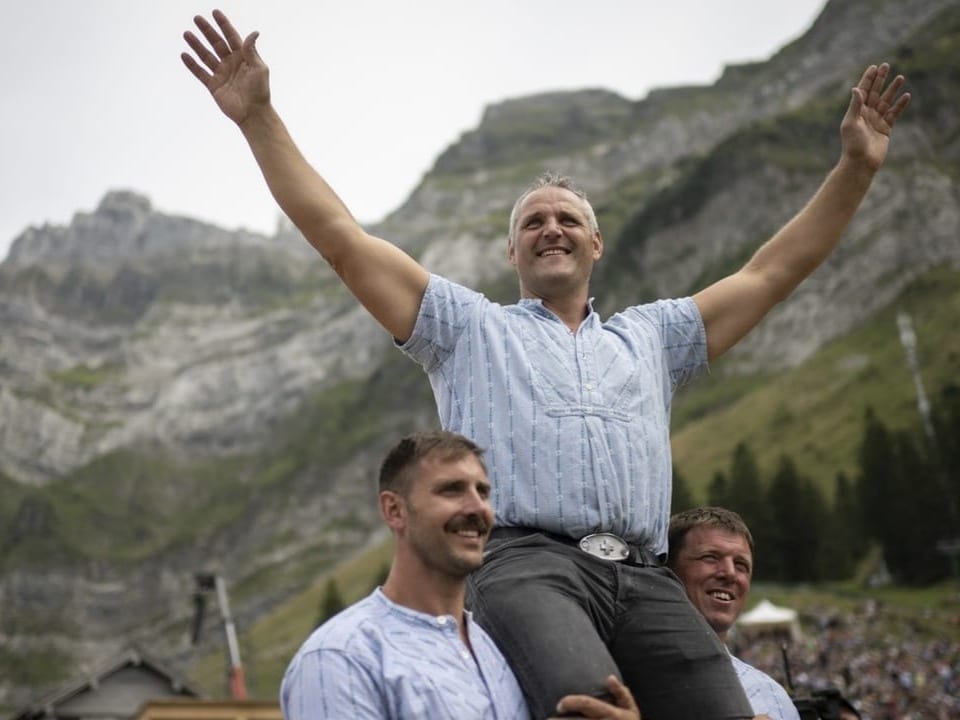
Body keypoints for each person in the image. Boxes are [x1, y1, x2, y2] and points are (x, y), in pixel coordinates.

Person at [181, 10, 910, 719]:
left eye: (568, 219)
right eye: (533, 220)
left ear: (596, 246)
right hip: (530, 565)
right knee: (585, 705)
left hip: (647, 576)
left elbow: (769, 275)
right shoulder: (464, 327)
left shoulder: (654, 337)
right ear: (514, 254)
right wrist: (258, 119)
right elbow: (340, 237)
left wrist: (855, 167)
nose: (551, 227)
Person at [280, 430, 640, 720]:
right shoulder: (341, 657)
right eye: (451, 490)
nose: (477, 508)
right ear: (394, 510)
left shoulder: (499, 648)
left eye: (482, 491)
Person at [667, 506, 800, 720]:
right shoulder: (616, 675)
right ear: (667, 570)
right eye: (710, 557)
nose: (730, 573)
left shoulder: (771, 699)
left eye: (741, 565)